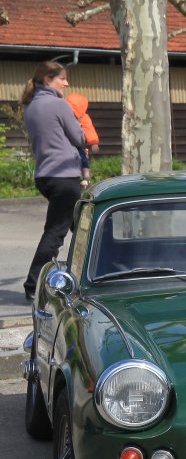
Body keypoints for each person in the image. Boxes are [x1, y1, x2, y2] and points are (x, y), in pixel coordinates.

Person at [20, 60, 87, 298]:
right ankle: (33, 285)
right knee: (56, 232)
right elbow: (79, 138)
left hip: (46, 175)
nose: (67, 83)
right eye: (63, 78)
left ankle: (95, 273)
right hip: (64, 175)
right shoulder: (58, 104)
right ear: (49, 79)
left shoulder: (31, 106)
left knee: (83, 228)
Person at [64, 90, 99, 183]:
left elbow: (89, 129)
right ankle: (77, 176)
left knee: (82, 159)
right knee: (76, 159)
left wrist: (94, 142)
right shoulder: (65, 116)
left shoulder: (83, 118)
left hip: (78, 145)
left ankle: (86, 177)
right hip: (67, 145)